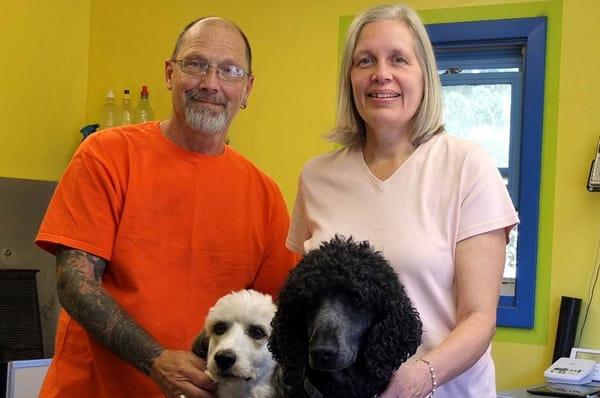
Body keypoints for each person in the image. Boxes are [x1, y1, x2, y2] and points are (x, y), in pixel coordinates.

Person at [36, 17, 297, 398]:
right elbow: (74, 283)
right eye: (195, 64)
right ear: (169, 74)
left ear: (247, 88)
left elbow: (280, 319)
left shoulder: (266, 196)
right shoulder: (106, 155)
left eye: (229, 71)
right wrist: (154, 359)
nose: (210, 83)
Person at [287, 4, 519, 398]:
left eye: (399, 59)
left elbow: (479, 318)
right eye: (365, 61)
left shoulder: (466, 166)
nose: (382, 73)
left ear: (424, 75)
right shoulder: (316, 176)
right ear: (350, 78)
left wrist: (418, 377)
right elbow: (305, 302)